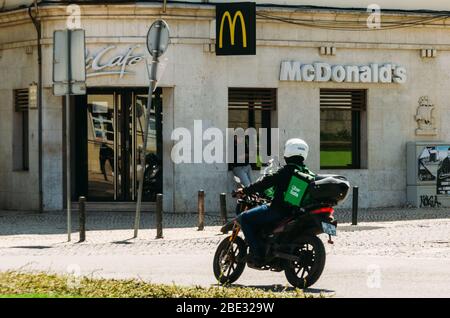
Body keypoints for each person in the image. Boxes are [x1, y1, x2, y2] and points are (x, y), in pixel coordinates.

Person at [235, 138, 315, 267]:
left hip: (278, 210)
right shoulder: (307, 173)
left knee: (245, 218)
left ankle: (258, 254)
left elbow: (266, 182)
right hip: (295, 212)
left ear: (288, 152)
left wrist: (245, 190)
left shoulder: (287, 170)